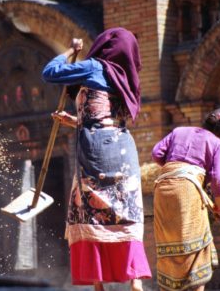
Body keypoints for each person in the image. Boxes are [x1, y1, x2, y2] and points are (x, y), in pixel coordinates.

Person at [42, 28, 152, 291]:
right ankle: (135, 280)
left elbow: (50, 72)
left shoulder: (94, 67)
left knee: (89, 212)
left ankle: (98, 285)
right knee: (126, 213)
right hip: (124, 152)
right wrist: (76, 121)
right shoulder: (126, 77)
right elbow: (108, 117)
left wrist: (71, 50)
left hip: (95, 152)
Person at [151, 107, 220, 291]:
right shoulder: (218, 144)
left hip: (162, 189)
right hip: (186, 190)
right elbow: (217, 178)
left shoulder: (179, 131)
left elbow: (156, 153)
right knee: (198, 249)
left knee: (169, 246)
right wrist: (218, 207)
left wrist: (174, 169)